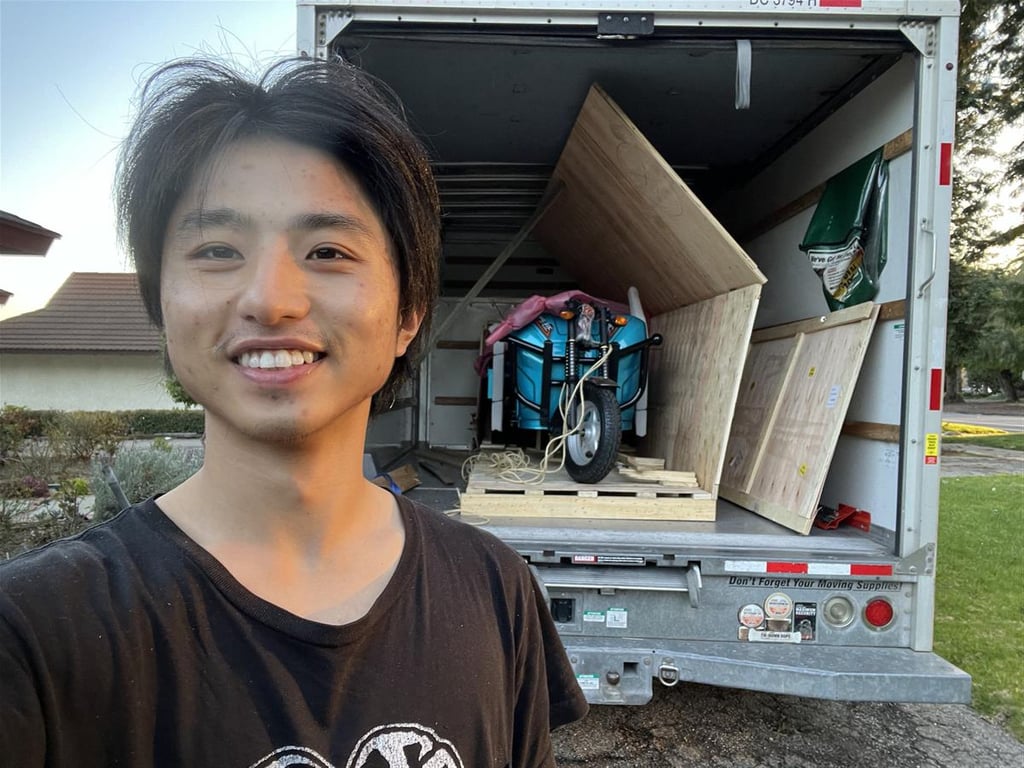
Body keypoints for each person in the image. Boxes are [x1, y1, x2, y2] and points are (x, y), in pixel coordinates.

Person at [0, 57, 588, 767]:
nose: (271, 299)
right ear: (161, 305)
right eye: (217, 250)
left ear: (408, 314)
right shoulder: (35, 634)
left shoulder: (495, 588)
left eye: (328, 250)